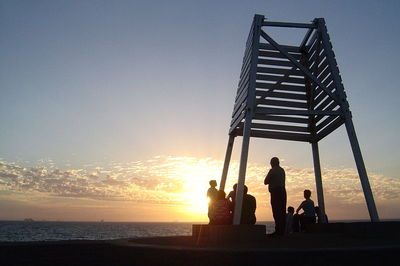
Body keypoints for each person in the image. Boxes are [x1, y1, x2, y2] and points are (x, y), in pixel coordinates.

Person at [264, 157, 286, 236]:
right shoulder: (282, 170)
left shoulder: (272, 170)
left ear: (272, 163)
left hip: (275, 192)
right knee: (282, 211)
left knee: (276, 211)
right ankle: (282, 230)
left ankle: (278, 231)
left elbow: (265, 181)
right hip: (283, 191)